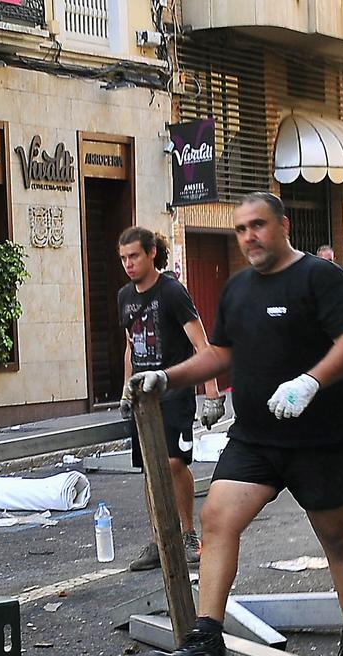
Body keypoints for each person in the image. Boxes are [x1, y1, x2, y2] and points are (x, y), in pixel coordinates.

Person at [127, 191, 343, 656]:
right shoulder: (238, 289)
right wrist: (167, 377)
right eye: (241, 229)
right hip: (255, 437)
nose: (249, 238)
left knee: (337, 539)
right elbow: (221, 354)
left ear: (283, 225)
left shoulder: (321, 278)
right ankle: (205, 643)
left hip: (318, 438)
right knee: (217, 517)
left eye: (258, 226)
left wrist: (311, 381)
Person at [115, 226, 224, 572]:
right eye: (123, 258)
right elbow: (131, 347)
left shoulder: (172, 291)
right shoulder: (124, 297)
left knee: (175, 463)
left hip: (174, 392)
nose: (128, 264)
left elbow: (201, 345)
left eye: (134, 256)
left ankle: (188, 534)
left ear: (151, 253)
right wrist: (125, 392)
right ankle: (160, 538)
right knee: (150, 468)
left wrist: (212, 393)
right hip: (143, 399)